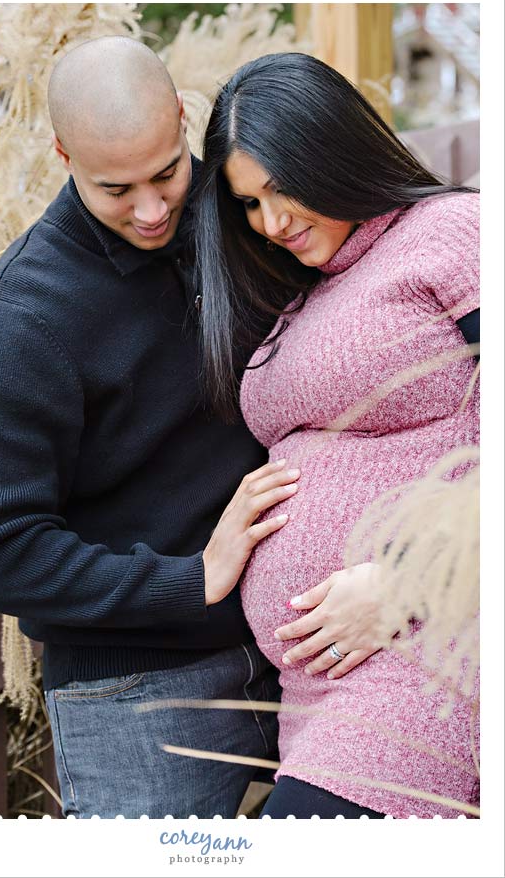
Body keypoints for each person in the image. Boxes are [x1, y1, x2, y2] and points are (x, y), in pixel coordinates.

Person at [0, 37, 301, 818]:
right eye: (115, 188)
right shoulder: (19, 324)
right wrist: (191, 580)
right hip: (137, 690)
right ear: (63, 153)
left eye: (166, 172)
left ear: (182, 117)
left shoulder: (244, 210)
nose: (151, 209)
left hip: (301, 635)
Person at [193, 52, 480, 818]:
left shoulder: (451, 231)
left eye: (283, 187)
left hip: (424, 642)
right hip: (314, 692)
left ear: (334, 150)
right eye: (250, 203)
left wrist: (408, 576)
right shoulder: (306, 294)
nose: (272, 222)